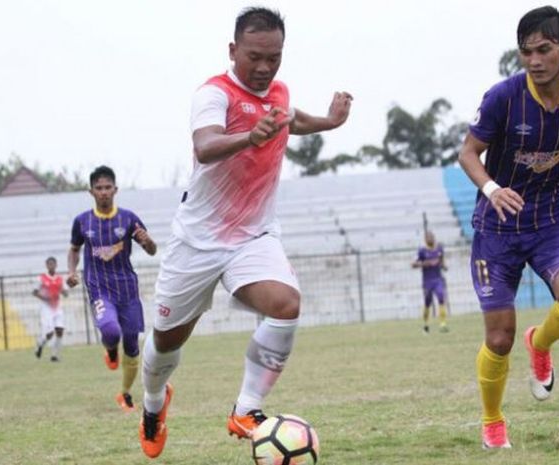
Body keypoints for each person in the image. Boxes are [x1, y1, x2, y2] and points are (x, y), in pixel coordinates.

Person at [137, 7, 352, 458]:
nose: (264, 67)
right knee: (164, 343)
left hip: (253, 238)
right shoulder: (213, 94)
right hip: (197, 242)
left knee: (286, 305)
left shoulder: (278, 92)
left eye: (274, 58)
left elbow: (292, 118)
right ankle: (154, 405)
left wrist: (329, 123)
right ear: (233, 50)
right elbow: (205, 145)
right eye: (254, 56)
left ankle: (247, 408)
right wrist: (249, 137)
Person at [458, 5, 559, 449]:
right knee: (499, 337)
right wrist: (492, 188)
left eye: (544, 49)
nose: (534, 60)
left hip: (550, 222)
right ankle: (493, 421)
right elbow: (468, 153)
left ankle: (542, 343)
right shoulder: (503, 97)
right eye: (526, 51)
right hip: (497, 229)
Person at [66, 165, 157, 413]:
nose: (104, 192)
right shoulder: (82, 222)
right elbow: (74, 249)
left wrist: (149, 242)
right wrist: (72, 272)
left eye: (108, 188)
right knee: (110, 329)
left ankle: (125, 393)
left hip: (127, 289)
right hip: (100, 288)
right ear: (91, 191)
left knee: (131, 343)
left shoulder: (128, 219)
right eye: (99, 188)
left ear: (115, 189)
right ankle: (110, 351)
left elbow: (151, 250)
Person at [411, 230, 449, 333]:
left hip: (438, 279)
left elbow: (442, 262)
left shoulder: (439, 248)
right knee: (427, 302)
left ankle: (443, 324)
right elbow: (413, 264)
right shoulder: (422, 251)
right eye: (428, 237)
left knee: (441, 297)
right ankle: (426, 324)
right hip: (427, 281)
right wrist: (425, 263)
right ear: (425, 239)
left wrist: (444, 266)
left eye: (432, 237)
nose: (431, 239)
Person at [34, 256, 69, 362]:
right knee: (49, 333)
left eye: (53, 264)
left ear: (56, 265)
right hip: (46, 308)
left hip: (57, 307)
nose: (51, 266)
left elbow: (65, 292)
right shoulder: (42, 278)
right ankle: (40, 344)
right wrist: (45, 297)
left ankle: (54, 355)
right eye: (49, 264)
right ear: (46, 265)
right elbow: (35, 292)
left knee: (60, 330)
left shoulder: (60, 279)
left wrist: (64, 292)